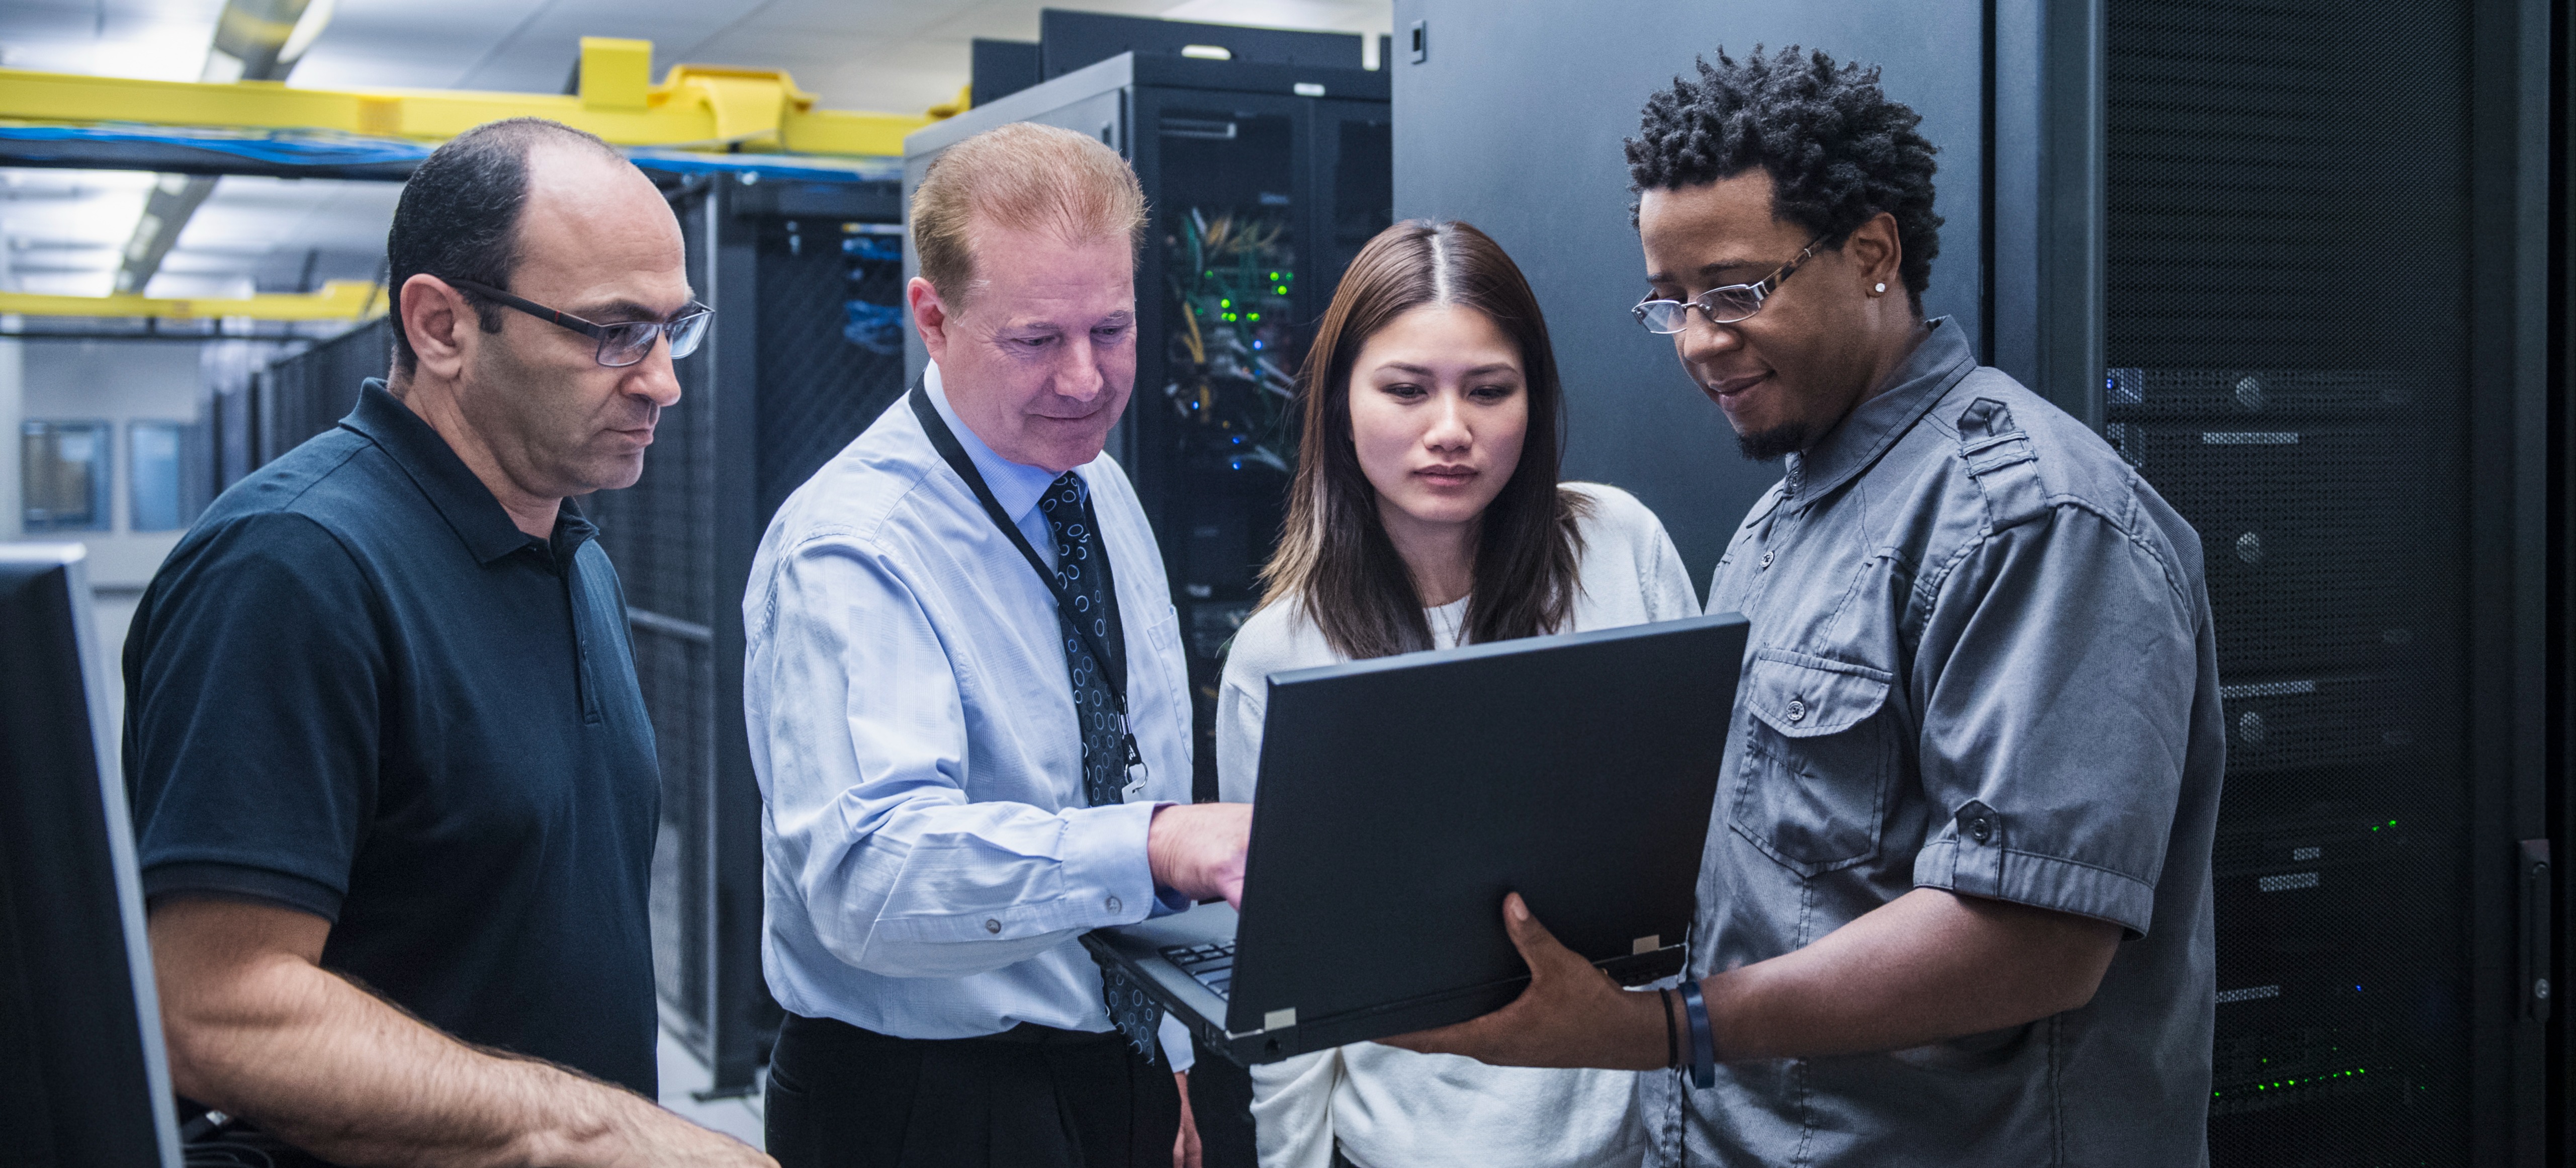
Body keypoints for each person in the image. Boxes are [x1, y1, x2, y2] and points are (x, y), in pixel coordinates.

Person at [1385, 46, 2225, 1168]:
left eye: (1734, 291)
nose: (1696, 342)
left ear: (1874, 252)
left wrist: (1660, 1029)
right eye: (1670, 303)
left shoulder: (2035, 520)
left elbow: (2034, 937)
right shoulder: (1788, 520)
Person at [124, 118, 768, 1167]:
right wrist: (593, 1133)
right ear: (442, 326)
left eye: (671, 328)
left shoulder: (574, 556)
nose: (662, 381)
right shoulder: (294, 567)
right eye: (613, 333)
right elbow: (210, 1007)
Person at [744, 121, 1252, 1168]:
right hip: (925, 1099)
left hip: (1113, 1064)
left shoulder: (1094, 486)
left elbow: (1131, 754)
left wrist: (1169, 1054)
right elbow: (870, 880)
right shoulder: (854, 548)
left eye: (1112, 330)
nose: (1084, 380)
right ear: (931, 318)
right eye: (1035, 340)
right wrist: (1152, 849)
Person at [1213, 219, 1699, 1168]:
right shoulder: (1282, 650)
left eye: (1489, 390)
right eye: (1405, 389)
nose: (1450, 430)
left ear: (1535, 398)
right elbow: (1288, 983)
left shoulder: (1621, 546)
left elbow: (1704, 860)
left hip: (1626, 1142)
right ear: (1341, 403)